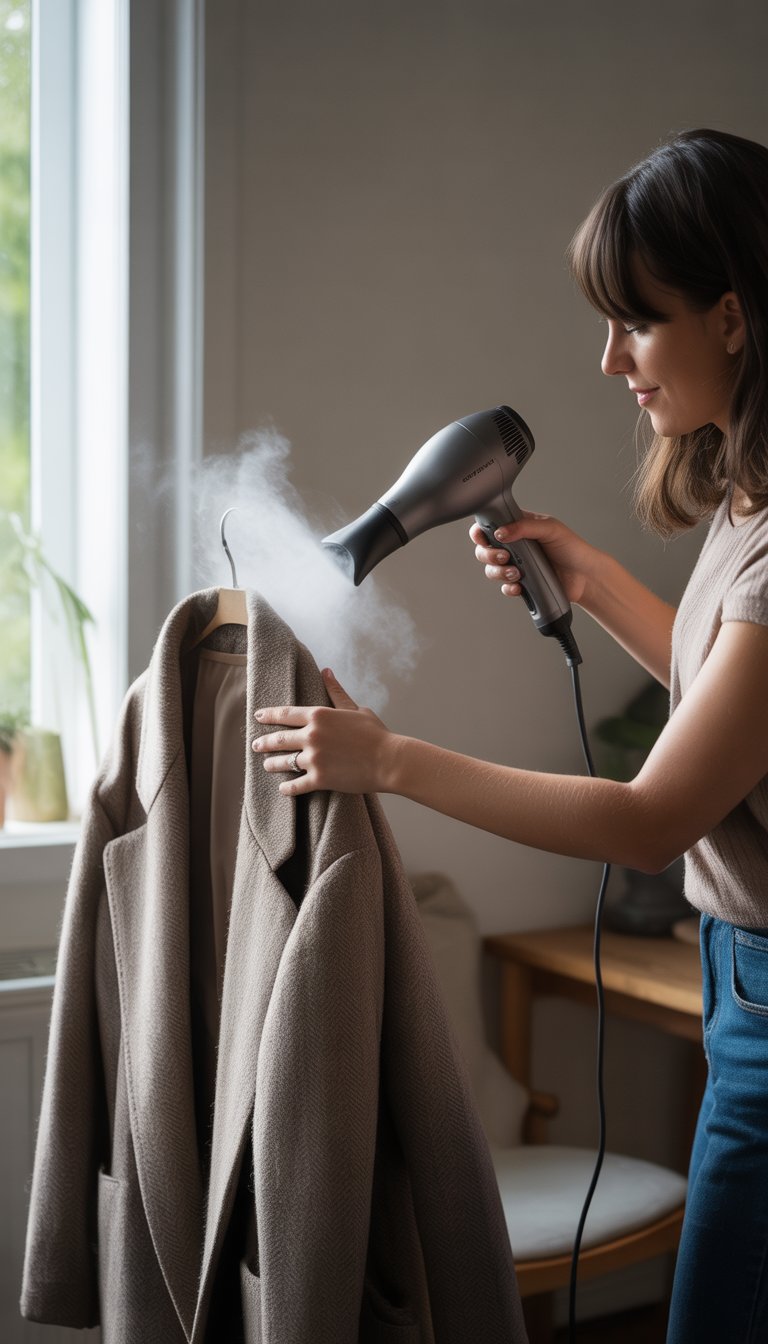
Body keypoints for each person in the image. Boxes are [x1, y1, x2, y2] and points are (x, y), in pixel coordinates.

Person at [252, 128, 768, 1343]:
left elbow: (652, 821)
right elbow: (730, 697)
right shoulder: (748, 503)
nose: (609, 361)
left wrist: (391, 761)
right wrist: (588, 580)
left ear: (735, 319)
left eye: (635, 322)